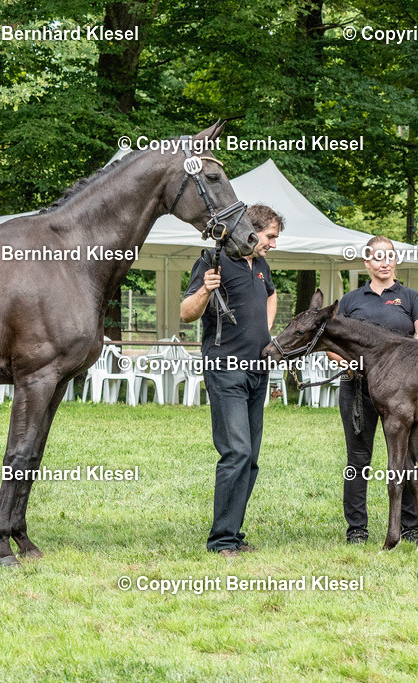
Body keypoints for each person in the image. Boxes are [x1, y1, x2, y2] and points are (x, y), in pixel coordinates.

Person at [180, 204, 284, 558]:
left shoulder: (261, 265)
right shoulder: (214, 258)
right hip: (226, 369)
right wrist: (206, 290)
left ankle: (233, 533)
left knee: (251, 457)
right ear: (252, 232)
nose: (273, 243)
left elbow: (271, 295)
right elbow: (186, 312)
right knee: (236, 451)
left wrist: (266, 332)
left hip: (258, 368)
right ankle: (222, 541)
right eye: (270, 236)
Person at [333, 235, 418, 545]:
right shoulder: (351, 300)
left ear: (395, 261)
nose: (384, 262)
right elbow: (332, 347)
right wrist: (347, 363)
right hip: (358, 390)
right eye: (377, 257)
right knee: (358, 460)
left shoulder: (411, 297)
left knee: (403, 457)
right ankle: (357, 530)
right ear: (367, 262)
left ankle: (408, 526)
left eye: (389, 256)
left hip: (402, 394)